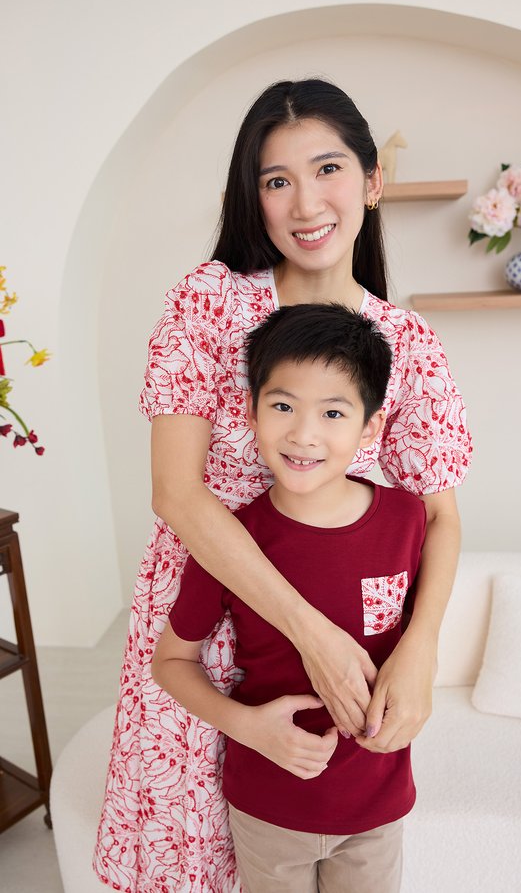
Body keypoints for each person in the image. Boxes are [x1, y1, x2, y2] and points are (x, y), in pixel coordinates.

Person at [93, 78, 472, 893]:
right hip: (212, 611)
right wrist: (314, 637)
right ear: (254, 198)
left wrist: (420, 649)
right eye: (276, 180)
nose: (306, 202)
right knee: (196, 860)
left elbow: (437, 515)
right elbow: (178, 494)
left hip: (332, 636)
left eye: (328, 168)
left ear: (373, 181)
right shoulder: (208, 302)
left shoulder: (409, 343)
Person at [152, 303, 427, 893]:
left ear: (371, 428)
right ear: (251, 413)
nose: (303, 434)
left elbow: (420, 638)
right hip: (267, 807)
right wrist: (246, 727)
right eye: (282, 406)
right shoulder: (230, 541)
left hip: (376, 810)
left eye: (333, 412)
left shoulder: (406, 520)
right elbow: (171, 661)